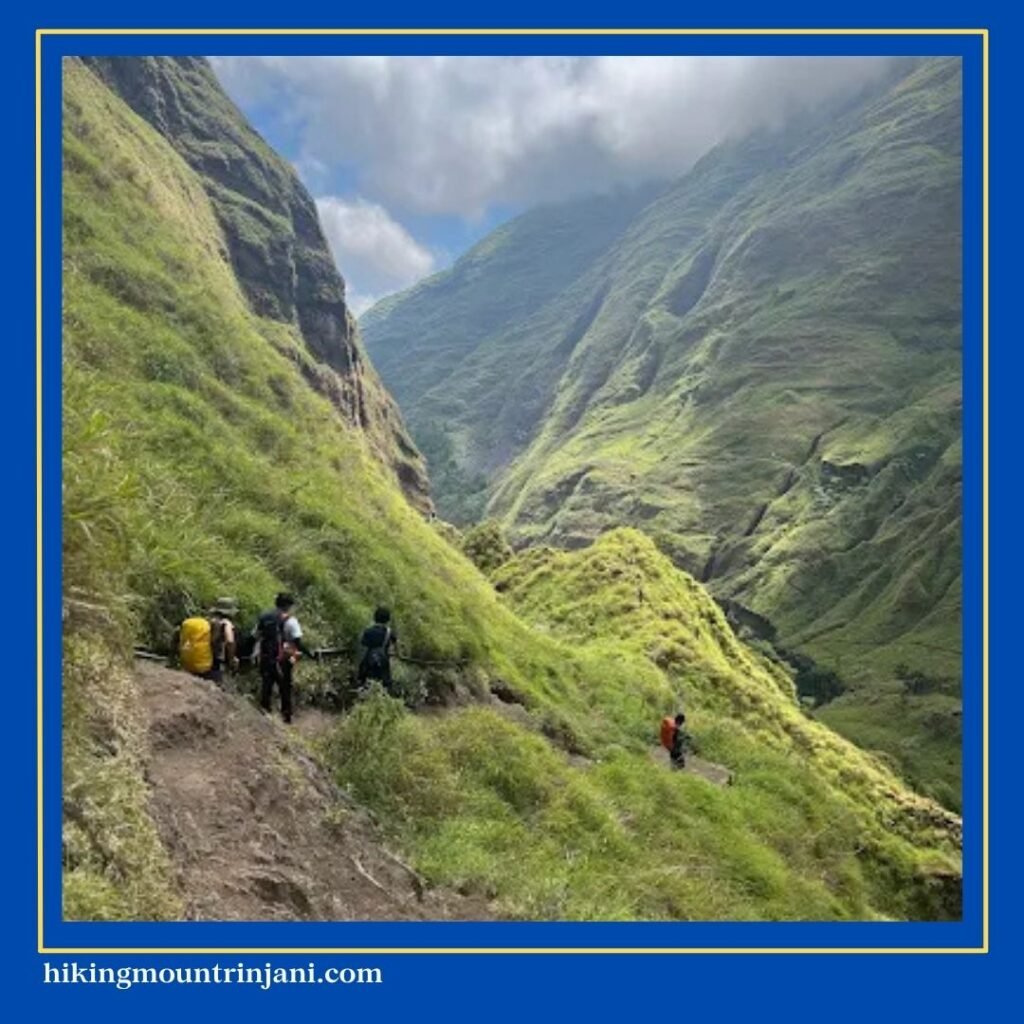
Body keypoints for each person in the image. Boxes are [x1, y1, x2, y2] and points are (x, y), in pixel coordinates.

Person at [254, 592, 316, 724]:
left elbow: (256, 635)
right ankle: (286, 718)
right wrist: (309, 653)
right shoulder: (291, 621)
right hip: (283, 659)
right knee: (285, 688)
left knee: (266, 685)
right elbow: (297, 642)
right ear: (288, 606)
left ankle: (264, 715)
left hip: (265, 657)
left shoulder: (264, 617)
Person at [173, 597, 238, 684]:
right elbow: (230, 641)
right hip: (213, 665)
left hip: (195, 661)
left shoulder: (206, 620)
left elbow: (177, 632)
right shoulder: (226, 623)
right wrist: (231, 659)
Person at [358, 606, 398, 695]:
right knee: (385, 684)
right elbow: (395, 648)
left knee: (367, 681)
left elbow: (363, 645)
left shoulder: (368, 631)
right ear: (388, 619)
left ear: (375, 618)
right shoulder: (389, 632)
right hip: (384, 661)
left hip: (369, 660)